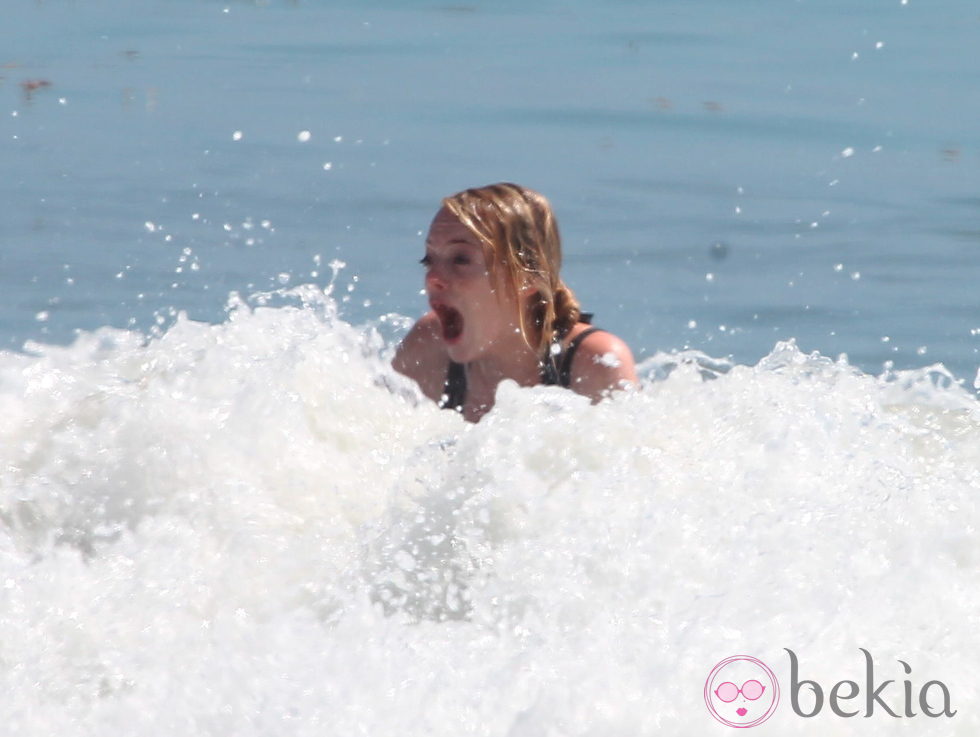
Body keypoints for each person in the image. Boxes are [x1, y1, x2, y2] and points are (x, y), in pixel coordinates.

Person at [393, 182, 637, 422]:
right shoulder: (429, 346)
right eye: (428, 259)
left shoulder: (595, 363)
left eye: (460, 259)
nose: (433, 278)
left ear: (526, 277)